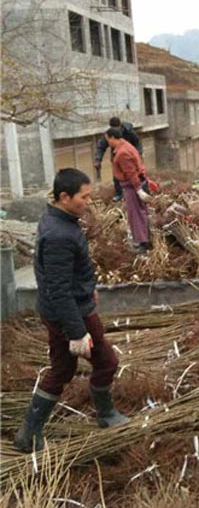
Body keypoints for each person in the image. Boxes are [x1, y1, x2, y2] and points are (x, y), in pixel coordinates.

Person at [13, 169, 129, 453]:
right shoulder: (59, 235)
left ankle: (29, 434)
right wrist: (77, 332)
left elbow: (66, 276)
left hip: (65, 309)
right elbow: (59, 289)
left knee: (62, 369)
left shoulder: (58, 219)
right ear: (64, 197)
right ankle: (106, 415)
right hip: (72, 313)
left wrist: (88, 288)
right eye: (83, 197)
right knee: (106, 362)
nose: (88, 202)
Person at [105, 127, 152, 252]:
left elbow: (131, 173)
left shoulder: (122, 153)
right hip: (136, 184)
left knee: (136, 215)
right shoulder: (127, 146)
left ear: (113, 138)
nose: (107, 142)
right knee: (140, 213)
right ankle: (144, 241)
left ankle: (143, 243)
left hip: (132, 186)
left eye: (107, 139)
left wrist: (138, 190)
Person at [94, 116, 143, 202]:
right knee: (117, 175)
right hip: (116, 157)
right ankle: (119, 194)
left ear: (120, 125)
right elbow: (101, 147)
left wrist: (138, 153)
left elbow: (137, 142)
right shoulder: (109, 134)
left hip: (129, 157)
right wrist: (98, 159)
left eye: (117, 128)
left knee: (132, 174)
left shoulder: (129, 131)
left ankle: (138, 190)